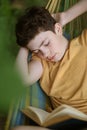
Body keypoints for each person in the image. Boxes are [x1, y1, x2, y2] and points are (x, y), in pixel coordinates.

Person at [13, 0, 87, 130]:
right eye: (36, 50)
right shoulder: (41, 62)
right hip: (66, 124)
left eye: (46, 43)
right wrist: (24, 47)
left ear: (58, 29)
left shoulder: (83, 42)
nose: (45, 53)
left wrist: (65, 16)